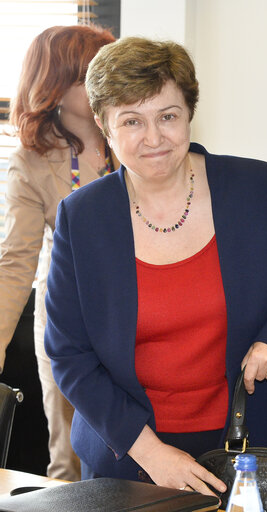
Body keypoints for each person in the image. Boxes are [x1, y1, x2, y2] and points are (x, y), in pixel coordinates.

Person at [44, 36, 267, 495]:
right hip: (125, 455)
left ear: (189, 113)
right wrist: (150, 453)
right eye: (131, 121)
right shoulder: (81, 216)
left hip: (246, 448)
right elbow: (68, 353)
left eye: (167, 116)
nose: (153, 138)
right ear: (106, 129)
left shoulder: (255, 188)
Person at [0, 24, 117, 481]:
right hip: (67, 325)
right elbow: (14, 264)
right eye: (89, 73)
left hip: (140, 321)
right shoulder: (29, 161)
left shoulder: (135, 137)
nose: (105, 81)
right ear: (53, 85)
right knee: (70, 459)